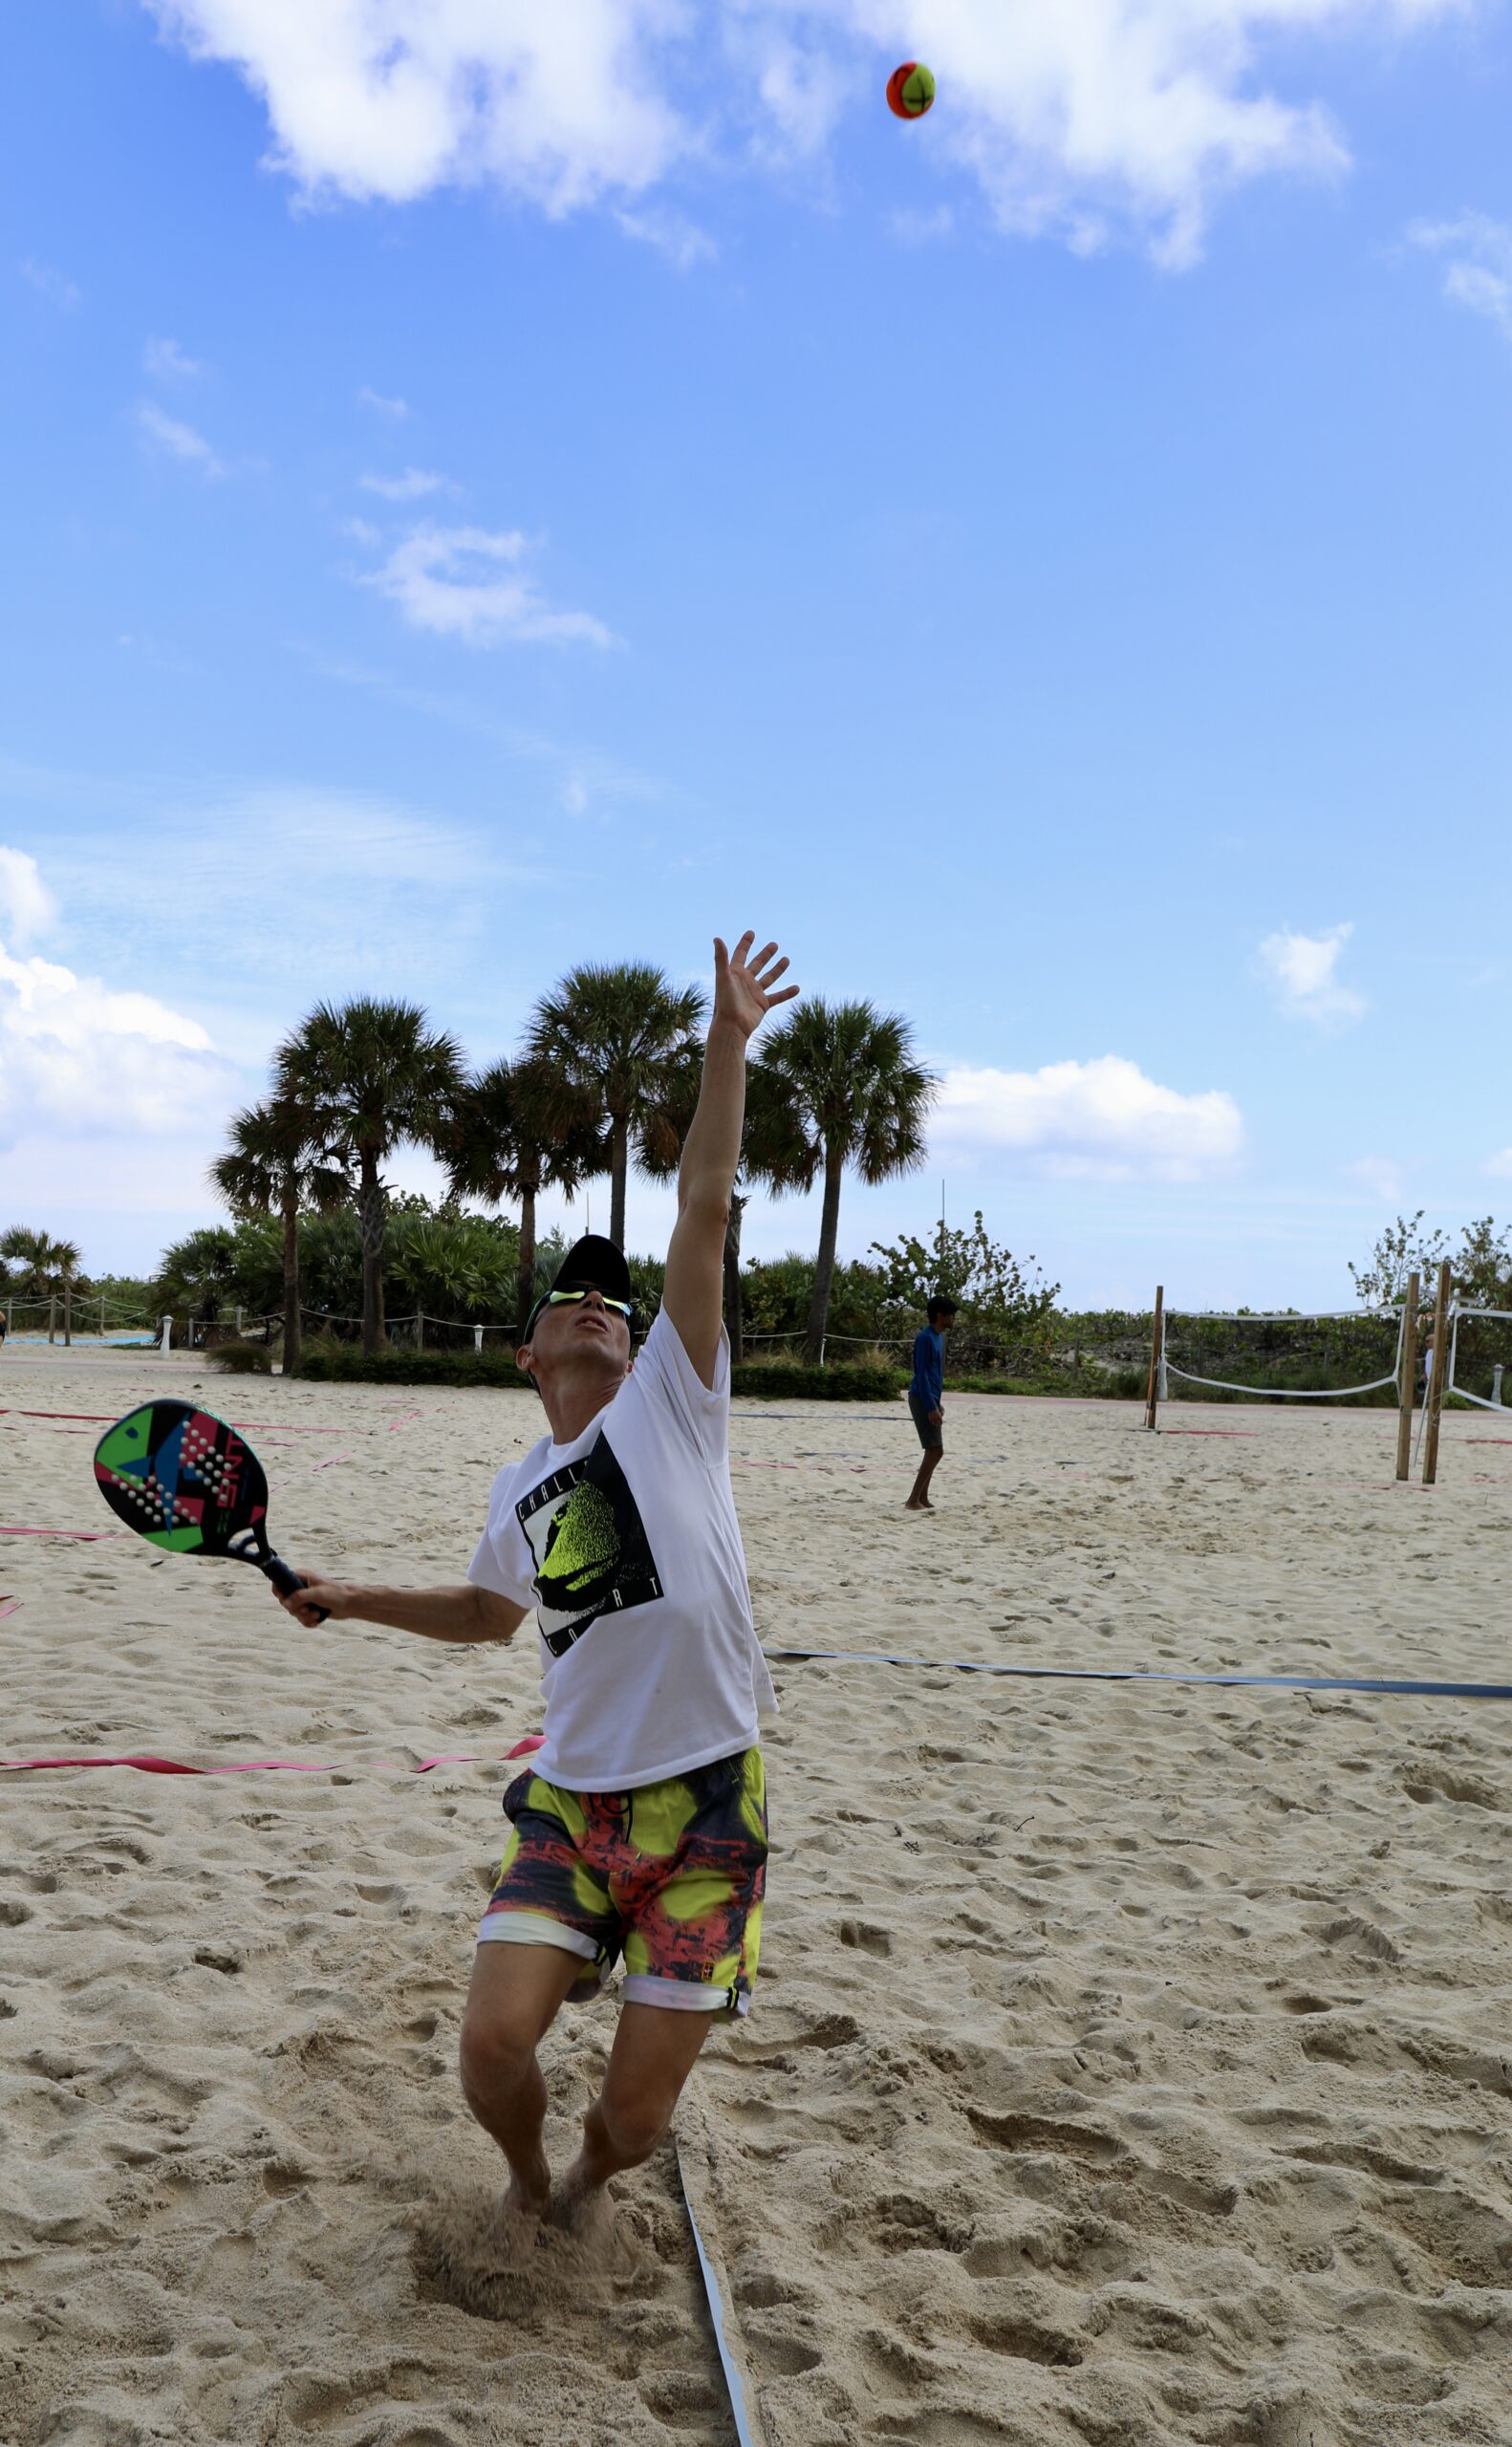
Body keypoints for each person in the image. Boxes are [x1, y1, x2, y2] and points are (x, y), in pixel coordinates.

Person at [275, 931, 797, 2240]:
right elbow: (483, 1617)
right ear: (526, 1355)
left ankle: (581, 2182)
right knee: (493, 2050)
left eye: (609, 1302)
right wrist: (344, 1593)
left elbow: (705, 1206)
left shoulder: (674, 1402)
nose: (594, 1306)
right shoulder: (519, 1488)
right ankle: (519, 2174)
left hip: (708, 1804)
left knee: (632, 2123)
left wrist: (725, 1040)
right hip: (572, 1801)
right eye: (568, 1302)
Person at [905, 1293, 956, 1510]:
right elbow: (923, 1374)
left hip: (930, 1398)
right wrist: (930, 1406)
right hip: (920, 1397)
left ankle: (922, 1498)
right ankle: (912, 1499)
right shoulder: (925, 1338)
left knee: (933, 1449)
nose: (954, 1319)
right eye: (951, 1315)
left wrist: (937, 1402)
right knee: (936, 1450)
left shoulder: (940, 1337)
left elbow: (936, 1375)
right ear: (939, 1315)